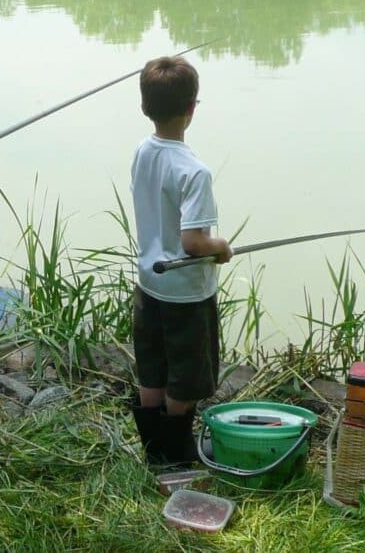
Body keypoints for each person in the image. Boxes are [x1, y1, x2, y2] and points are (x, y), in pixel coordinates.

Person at [129, 56, 233, 465]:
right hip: (186, 295)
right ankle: (176, 453)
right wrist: (221, 247)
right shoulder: (195, 172)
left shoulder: (142, 151)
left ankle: (154, 449)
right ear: (192, 108)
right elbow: (193, 242)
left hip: (148, 283)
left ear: (144, 107)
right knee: (186, 376)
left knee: (152, 366)